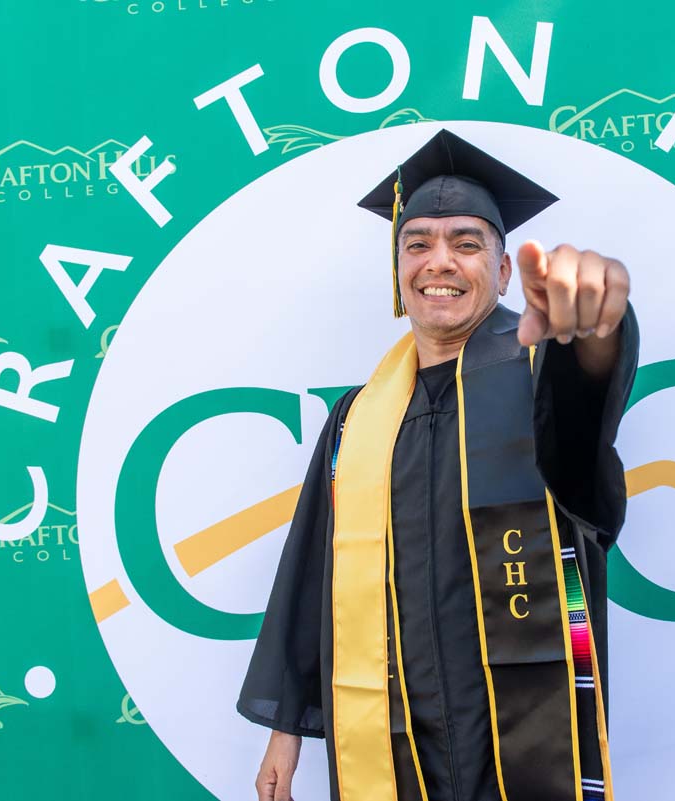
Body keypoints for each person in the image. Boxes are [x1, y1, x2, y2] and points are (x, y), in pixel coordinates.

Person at [237, 129, 639, 801]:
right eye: (417, 242)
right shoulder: (356, 419)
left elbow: (584, 405)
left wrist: (595, 329)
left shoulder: (539, 380)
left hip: (513, 740)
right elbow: (315, 574)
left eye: (467, 243)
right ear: (399, 270)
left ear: (505, 271)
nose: (438, 261)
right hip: (392, 736)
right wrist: (286, 728)